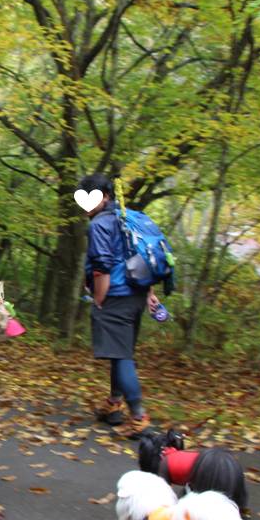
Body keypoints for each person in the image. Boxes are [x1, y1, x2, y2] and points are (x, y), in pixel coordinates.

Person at [81, 174, 159, 439]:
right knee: (120, 352)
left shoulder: (100, 224)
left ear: (103, 197)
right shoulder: (129, 218)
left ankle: (139, 418)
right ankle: (114, 406)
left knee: (122, 356)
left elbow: (102, 265)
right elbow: (142, 257)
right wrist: (149, 292)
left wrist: (99, 299)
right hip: (136, 294)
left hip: (115, 296)